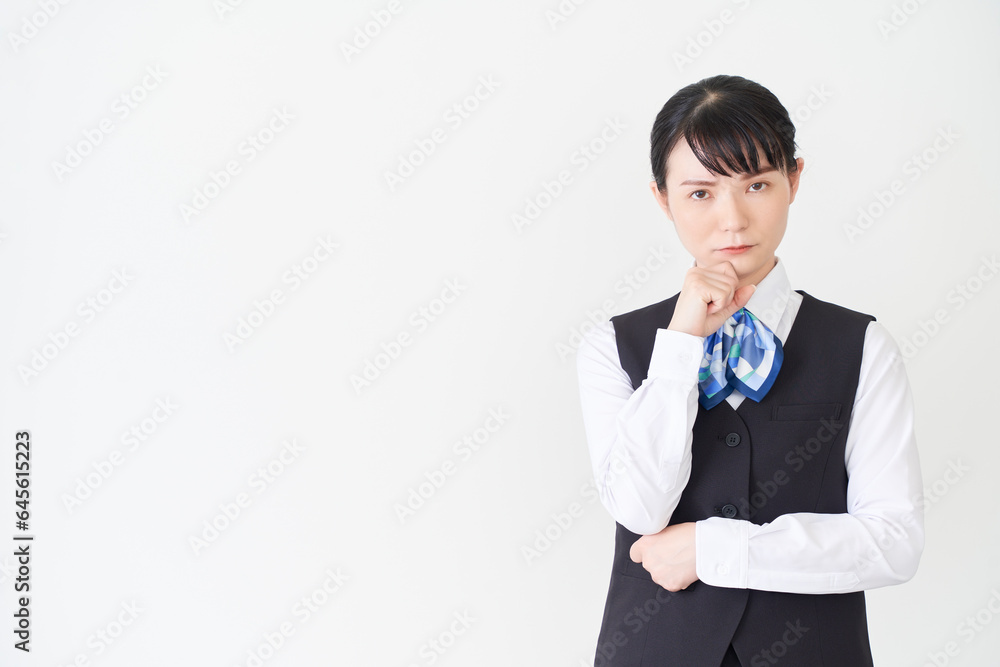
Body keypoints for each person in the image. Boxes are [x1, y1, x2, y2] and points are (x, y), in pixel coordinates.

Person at [575, 74, 924, 666]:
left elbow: (895, 542)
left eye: (757, 184)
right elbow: (638, 510)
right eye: (700, 193)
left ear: (794, 179)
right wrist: (681, 344)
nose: (732, 220)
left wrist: (718, 549)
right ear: (663, 199)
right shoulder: (613, 346)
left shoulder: (862, 345)